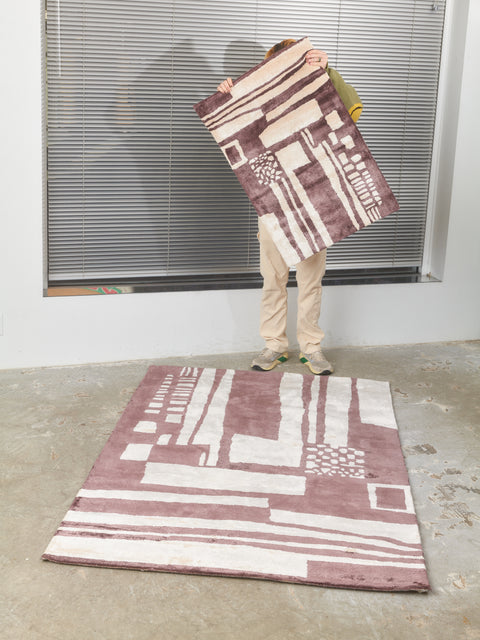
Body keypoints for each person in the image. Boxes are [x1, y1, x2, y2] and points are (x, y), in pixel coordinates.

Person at [217, 39, 363, 375]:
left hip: (314, 196)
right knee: (273, 278)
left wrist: (327, 70)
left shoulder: (318, 91)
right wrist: (226, 96)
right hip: (272, 199)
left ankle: (312, 348)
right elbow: (231, 125)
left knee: (311, 279)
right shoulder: (257, 101)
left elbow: (349, 107)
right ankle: (274, 345)